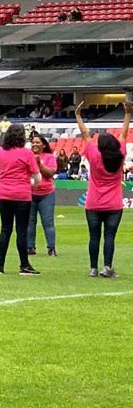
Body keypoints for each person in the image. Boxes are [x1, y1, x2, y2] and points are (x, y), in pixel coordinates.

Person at [76, 100, 132, 277]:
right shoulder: (120, 155)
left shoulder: (93, 154)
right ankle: (107, 267)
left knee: (94, 237)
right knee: (110, 236)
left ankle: (93, 268)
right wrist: (128, 114)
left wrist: (78, 115)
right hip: (114, 204)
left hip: (93, 202)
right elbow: (124, 134)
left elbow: (85, 135)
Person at [0, 123, 41, 275]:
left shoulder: (0, 151)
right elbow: (37, 176)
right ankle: (24, 265)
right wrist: (33, 186)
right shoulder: (27, 153)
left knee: (5, 229)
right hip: (22, 194)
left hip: (4, 194)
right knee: (21, 230)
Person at [27, 135, 58, 257]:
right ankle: (30, 247)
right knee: (30, 222)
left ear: (43, 145)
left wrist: (39, 164)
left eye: (37, 142)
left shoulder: (50, 157)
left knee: (48, 222)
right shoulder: (27, 156)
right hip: (30, 193)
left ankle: (51, 248)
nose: (34, 144)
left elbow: (50, 173)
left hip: (46, 194)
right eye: (33, 142)